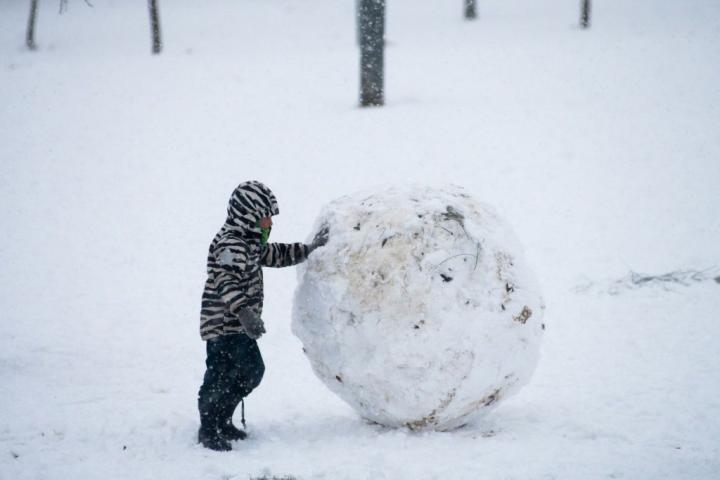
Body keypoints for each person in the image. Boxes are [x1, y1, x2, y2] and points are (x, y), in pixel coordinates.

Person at [197, 181, 328, 451]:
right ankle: (209, 428)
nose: (270, 222)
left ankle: (223, 418)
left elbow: (276, 254)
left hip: (239, 327)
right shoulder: (230, 244)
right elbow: (225, 282)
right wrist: (245, 313)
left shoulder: (250, 243)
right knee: (220, 375)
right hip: (223, 326)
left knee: (251, 371)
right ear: (248, 215)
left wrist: (309, 249)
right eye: (265, 216)